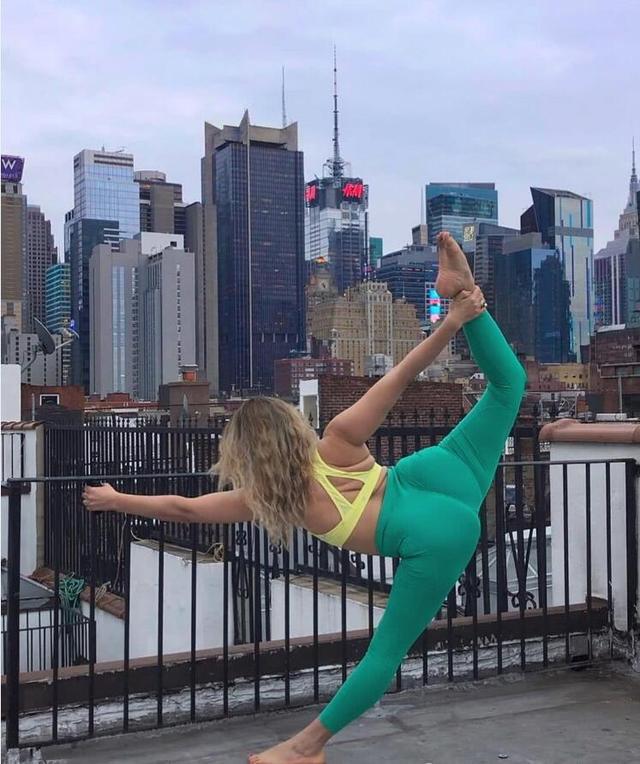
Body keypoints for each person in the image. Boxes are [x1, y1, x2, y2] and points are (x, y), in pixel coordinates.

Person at [83, 232, 526, 764]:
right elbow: (402, 375)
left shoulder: (270, 501)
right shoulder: (336, 440)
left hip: (432, 534)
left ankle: (306, 747)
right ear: (292, 425)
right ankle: (464, 292)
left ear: (245, 455)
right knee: (508, 387)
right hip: (429, 475)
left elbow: (185, 509)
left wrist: (118, 499)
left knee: (385, 653)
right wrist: (453, 322)